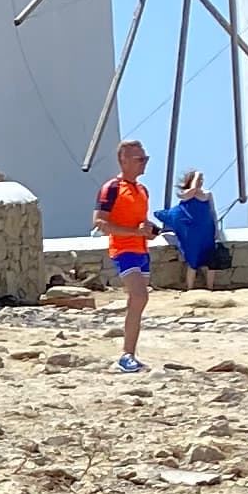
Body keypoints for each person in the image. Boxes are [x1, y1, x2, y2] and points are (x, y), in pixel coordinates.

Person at [94, 140, 154, 369]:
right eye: (140, 159)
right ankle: (125, 354)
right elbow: (100, 222)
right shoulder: (112, 188)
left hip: (141, 250)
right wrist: (133, 231)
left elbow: (139, 221)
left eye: (145, 158)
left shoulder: (142, 190)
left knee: (137, 303)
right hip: (123, 249)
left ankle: (130, 353)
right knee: (139, 296)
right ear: (124, 160)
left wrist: (148, 230)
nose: (144, 163)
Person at [160, 172, 228, 291]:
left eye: (202, 179)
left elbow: (213, 212)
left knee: (210, 260)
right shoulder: (187, 194)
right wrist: (196, 176)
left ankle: (210, 287)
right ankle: (190, 288)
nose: (201, 181)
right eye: (199, 179)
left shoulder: (208, 194)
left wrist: (216, 229)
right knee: (193, 260)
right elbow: (191, 191)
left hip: (207, 231)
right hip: (193, 234)